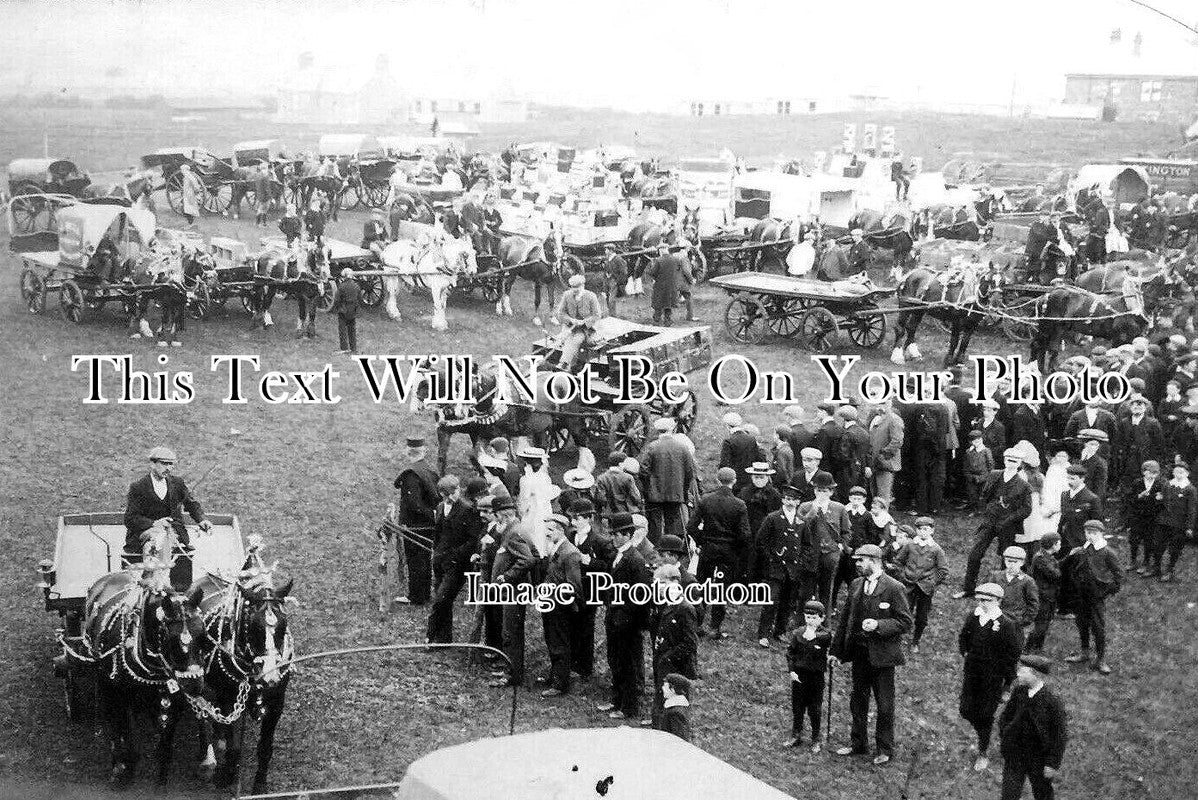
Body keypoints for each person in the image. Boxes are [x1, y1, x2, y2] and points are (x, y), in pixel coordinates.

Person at [831, 544, 913, 766]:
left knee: (884, 704)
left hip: (883, 657)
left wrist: (879, 624)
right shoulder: (856, 584)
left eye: (861, 560)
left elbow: (906, 622)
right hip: (860, 654)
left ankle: (885, 748)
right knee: (858, 700)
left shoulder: (894, 587)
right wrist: (836, 651)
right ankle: (858, 744)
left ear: (875, 561)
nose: (857, 564)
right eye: (857, 560)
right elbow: (845, 620)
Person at [123, 446, 212, 590]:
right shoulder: (138, 487)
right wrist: (154, 523)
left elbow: (191, 503)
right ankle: (159, 582)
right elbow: (130, 518)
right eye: (164, 464)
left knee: (164, 536)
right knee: (159, 537)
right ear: (152, 464)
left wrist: (202, 520)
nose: (169, 468)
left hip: (174, 532)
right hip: (146, 532)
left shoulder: (177, 483)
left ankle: (156, 581)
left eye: (171, 464)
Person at [958, 583, 1025, 773]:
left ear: (997, 601)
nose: (981, 603)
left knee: (985, 716)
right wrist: (965, 653)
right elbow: (964, 636)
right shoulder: (974, 617)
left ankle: (983, 751)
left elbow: (1012, 655)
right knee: (965, 710)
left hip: (992, 678)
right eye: (979, 599)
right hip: (972, 674)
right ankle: (981, 730)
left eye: (986, 600)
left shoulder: (1006, 625)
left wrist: (1007, 684)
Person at [955, 448, 1032, 599]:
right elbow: (985, 494)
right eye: (1009, 460)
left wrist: (1010, 517)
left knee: (1006, 558)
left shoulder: (1024, 485)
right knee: (975, 554)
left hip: (1008, 525)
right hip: (990, 521)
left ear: (1020, 464)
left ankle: (1002, 592)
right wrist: (990, 509)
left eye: (1015, 461)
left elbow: (1026, 509)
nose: (1011, 463)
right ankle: (969, 589)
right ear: (1004, 460)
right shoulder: (994, 475)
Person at [597, 514, 651, 720]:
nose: (613, 538)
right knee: (616, 660)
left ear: (627, 535)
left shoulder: (634, 559)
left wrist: (626, 617)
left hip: (627, 622)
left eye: (617, 534)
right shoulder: (619, 556)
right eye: (612, 534)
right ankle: (617, 699)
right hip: (615, 617)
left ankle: (629, 707)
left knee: (629, 664)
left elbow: (641, 594)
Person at [688, 467, 750, 639]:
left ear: (717, 480)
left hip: (708, 548)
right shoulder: (739, 504)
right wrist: (735, 547)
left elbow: (691, 526)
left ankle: (697, 623)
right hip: (728, 552)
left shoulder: (706, 500)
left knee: (702, 585)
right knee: (722, 587)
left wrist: (701, 540)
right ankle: (715, 627)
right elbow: (745, 534)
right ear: (734, 481)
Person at [998, 655, 1068, 800]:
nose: (1018, 674)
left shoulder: (1051, 701)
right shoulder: (1019, 692)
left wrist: (1052, 763)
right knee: (1009, 795)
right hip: (1015, 755)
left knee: (1043, 794)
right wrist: (1006, 735)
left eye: (1023, 671)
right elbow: (1005, 716)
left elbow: (1059, 735)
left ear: (1034, 674)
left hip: (1039, 758)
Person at [427, 477, 486, 644]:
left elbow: (473, 540)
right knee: (443, 600)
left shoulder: (468, 509)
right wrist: (436, 553)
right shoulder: (440, 507)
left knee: (441, 599)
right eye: (446, 495)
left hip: (457, 564)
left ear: (458, 490)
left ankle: (430, 635)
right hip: (440, 562)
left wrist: (455, 555)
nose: (450, 498)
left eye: (453, 493)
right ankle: (443, 639)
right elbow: (438, 534)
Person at [1063, 520, 1122, 674]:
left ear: (1101, 534)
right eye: (1088, 533)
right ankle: (1084, 652)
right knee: (1082, 623)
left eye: (1094, 533)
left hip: (1096, 596)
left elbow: (1118, 576)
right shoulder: (1083, 549)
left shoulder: (1107, 552)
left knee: (1098, 627)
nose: (1090, 536)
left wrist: (1105, 591)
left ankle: (1100, 659)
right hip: (1081, 594)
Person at [754, 483, 807, 645]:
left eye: (793, 500)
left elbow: (807, 545)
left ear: (798, 502)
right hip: (775, 568)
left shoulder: (802, 521)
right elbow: (761, 541)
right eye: (787, 499)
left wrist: (801, 561)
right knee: (771, 600)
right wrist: (770, 559)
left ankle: (780, 631)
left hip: (793, 569)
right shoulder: (773, 518)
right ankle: (764, 634)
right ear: (783, 500)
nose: (790, 502)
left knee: (788, 602)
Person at [566, 499, 612, 680]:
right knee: (571, 625)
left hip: (589, 591)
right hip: (572, 588)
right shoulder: (570, 537)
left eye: (577, 518)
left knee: (585, 628)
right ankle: (572, 662)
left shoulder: (599, 541)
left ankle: (584, 667)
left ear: (588, 518)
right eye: (573, 518)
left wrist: (590, 562)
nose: (573, 522)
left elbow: (608, 566)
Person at [537, 514, 582, 698]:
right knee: (552, 641)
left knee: (559, 644)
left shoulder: (570, 553)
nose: (546, 533)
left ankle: (560, 683)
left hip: (560, 607)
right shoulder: (555, 548)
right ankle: (555, 675)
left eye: (550, 530)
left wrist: (554, 595)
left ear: (560, 530)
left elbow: (574, 586)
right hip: (551, 604)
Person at [393, 437, 441, 606]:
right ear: (423, 452)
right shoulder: (429, 469)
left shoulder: (411, 474)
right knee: (425, 558)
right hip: (428, 523)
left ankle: (416, 596)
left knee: (415, 560)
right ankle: (424, 594)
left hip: (415, 524)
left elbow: (414, 503)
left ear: (408, 452)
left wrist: (429, 515)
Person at [651, 564, 699, 725]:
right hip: (665, 664)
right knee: (661, 703)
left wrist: (668, 657)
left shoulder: (684, 608)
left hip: (677, 667)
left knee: (674, 711)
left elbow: (690, 642)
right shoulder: (667, 605)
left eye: (660, 583)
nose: (657, 587)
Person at [892, 516, 948, 653]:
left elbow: (943, 570)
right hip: (908, 584)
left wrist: (932, 582)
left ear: (932, 531)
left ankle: (915, 640)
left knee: (922, 617)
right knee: (904, 611)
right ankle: (898, 637)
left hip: (925, 588)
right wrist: (902, 576)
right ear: (916, 530)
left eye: (926, 529)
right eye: (920, 529)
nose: (923, 532)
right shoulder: (910, 545)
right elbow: (898, 562)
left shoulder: (936, 549)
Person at [799, 471, 851, 611]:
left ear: (831, 492)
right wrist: (812, 513)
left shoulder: (839, 508)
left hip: (830, 553)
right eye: (818, 490)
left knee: (826, 589)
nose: (821, 494)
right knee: (806, 589)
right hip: (810, 553)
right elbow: (799, 528)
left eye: (825, 491)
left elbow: (846, 531)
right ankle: (804, 619)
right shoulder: (805, 507)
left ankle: (825, 620)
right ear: (814, 491)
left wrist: (840, 547)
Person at [785, 600, 832, 753]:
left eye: (814, 618)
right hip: (799, 675)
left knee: (814, 708)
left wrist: (814, 635)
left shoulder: (824, 634)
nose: (810, 621)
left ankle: (816, 738)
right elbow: (790, 653)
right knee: (797, 706)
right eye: (808, 617)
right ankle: (796, 734)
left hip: (815, 677)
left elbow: (824, 638)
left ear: (822, 618)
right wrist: (791, 670)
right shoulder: (798, 633)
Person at [640, 417, 696, 543]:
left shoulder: (652, 447)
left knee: (654, 524)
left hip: (654, 494)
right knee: (673, 522)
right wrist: (684, 491)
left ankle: (655, 548)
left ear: (658, 430)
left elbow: (643, 471)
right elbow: (689, 472)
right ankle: (672, 548)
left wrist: (647, 488)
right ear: (672, 429)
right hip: (676, 493)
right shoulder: (683, 447)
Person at [1154, 461, 1196, 581]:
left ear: (1187, 474)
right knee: (1158, 545)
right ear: (1173, 473)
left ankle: (1169, 570)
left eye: (1181, 472)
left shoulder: (1190, 489)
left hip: (1179, 524)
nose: (1179, 474)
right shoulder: (1168, 485)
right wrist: (1158, 499)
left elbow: (1192, 509)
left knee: (1175, 548)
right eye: (1176, 472)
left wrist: (1189, 527)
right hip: (1163, 521)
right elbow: (1161, 501)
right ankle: (1156, 568)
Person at [553, 274, 602, 372]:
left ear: (583, 286)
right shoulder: (567, 295)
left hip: (585, 330)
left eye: (577, 287)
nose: (574, 289)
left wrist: (584, 322)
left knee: (576, 340)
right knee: (566, 338)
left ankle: (565, 363)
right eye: (572, 287)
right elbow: (560, 312)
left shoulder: (591, 296)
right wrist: (571, 320)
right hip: (569, 327)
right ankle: (565, 364)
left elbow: (597, 315)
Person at [1025, 533, 1062, 653]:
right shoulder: (1041, 558)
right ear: (1053, 544)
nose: (1060, 545)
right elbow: (1055, 574)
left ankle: (1037, 648)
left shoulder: (1047, 557)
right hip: (1042, 596)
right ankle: (1028, 648)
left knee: (1045, 623)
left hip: (1049, 595)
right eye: (1059, 543)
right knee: (1041, 624)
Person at [989, 546, 1039, 630]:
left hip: (1015, 622)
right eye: (1009, 561)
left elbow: (1033, 604)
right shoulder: (996, 577)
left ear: (1022, 562)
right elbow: (988, 596)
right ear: (1004, 561)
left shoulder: (1027, 581)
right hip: (995, 619)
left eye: (1015, 562)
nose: (1011, 565)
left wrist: (1024, 621)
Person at [642, 242, 690, 326]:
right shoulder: (676, 259)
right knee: (669, 303)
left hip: (660, 285)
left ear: (660, 250)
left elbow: (653, 272)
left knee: (658, 303)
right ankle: (667, 320)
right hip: (672, 285)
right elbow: (679, 271)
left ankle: (657, 320)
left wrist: (650, 272)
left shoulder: (658, 260)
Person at [868, 398, 904, 505]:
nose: (880, 406)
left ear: (890, 404)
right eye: (878, 403)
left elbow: (897, 441)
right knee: (874, 493)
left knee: (883, 495)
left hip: (885, 463)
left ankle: (883, 514)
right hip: (874, 462)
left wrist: (883, 455)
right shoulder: (877, 419)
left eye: (883, 403)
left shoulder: (894, 419)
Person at [718, 411, 763, 493]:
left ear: (727, 426)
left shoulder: (728, 441)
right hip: (749, 480)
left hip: (734, 482)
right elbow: (757, 458)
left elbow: (724, 463)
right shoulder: (751, 439)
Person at [837, 405, 871, 501]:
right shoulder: (864, 432)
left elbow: (844, 456)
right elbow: (869, 451)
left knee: (847, 497)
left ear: (844, 419)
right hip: (861, 470)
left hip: (848, 472)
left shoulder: (847, 434)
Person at [594, 451, 643, 517]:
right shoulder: (628, 477)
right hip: (628, 513)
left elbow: (600, 498)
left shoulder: (601, 478)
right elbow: (636, 497)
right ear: (620, 464)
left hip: (610, 514)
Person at [331, 268, 362, 355]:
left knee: (342, 330)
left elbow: (337, 300)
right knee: (352, 330)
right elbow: (359, 299)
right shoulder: (356, 286)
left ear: (344, 276)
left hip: (343, 310)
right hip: (353, 310)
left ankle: (344, 348)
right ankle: (353, 348)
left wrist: (337, 308)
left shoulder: (342, 286)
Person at [660, 673, 693, 742]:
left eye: (665, 686)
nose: (662, 688)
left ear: (673, 689)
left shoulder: (676, 712)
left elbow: (679, 739)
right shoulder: (675, 708)